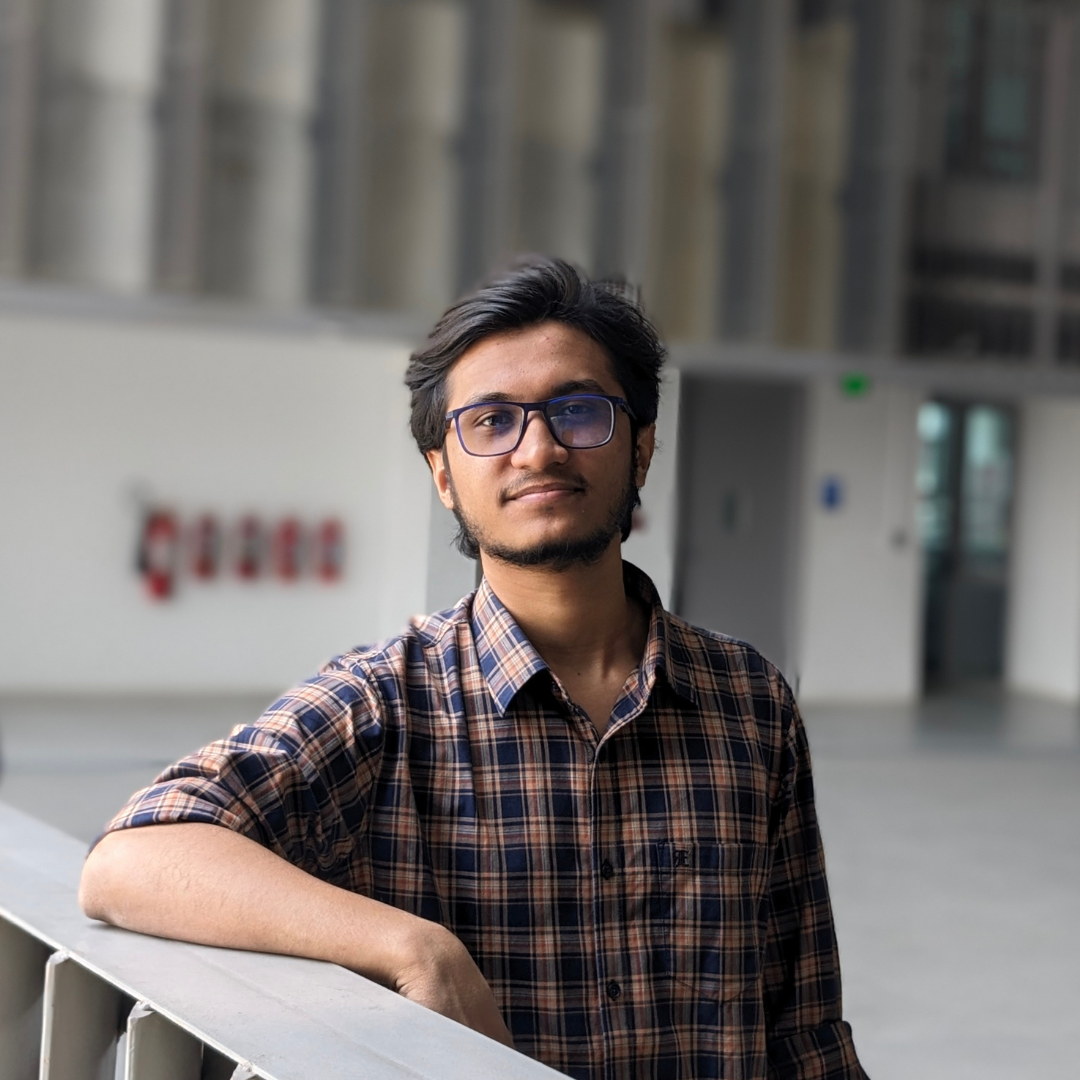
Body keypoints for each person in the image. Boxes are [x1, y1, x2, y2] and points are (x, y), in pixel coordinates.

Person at [80, 257, 867, 1080]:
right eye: (492, 421)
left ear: (641, 449)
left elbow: (805, 1028)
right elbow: (133, 858)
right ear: (444, 476)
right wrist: (412, 946)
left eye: (578, 411)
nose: (539, 449)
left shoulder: (748, 700)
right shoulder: (385, 703)